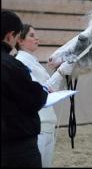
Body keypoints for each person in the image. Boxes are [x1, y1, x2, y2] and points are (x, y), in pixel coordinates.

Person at [15, 24, 75, 167]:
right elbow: (38, 92)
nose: (36, 38)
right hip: (38, 125)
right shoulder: (21, 62)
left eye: (36, 35)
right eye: (31, 35)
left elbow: (47, 89)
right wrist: (60, 73)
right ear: (20, 41)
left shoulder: (34, 62)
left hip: (47, 123)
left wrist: (62, 74)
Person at [1, 9, 48, 167]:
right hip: (15, 145)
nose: (36, 39)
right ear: (10, 36)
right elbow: (35, 98)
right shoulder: (13, 65)